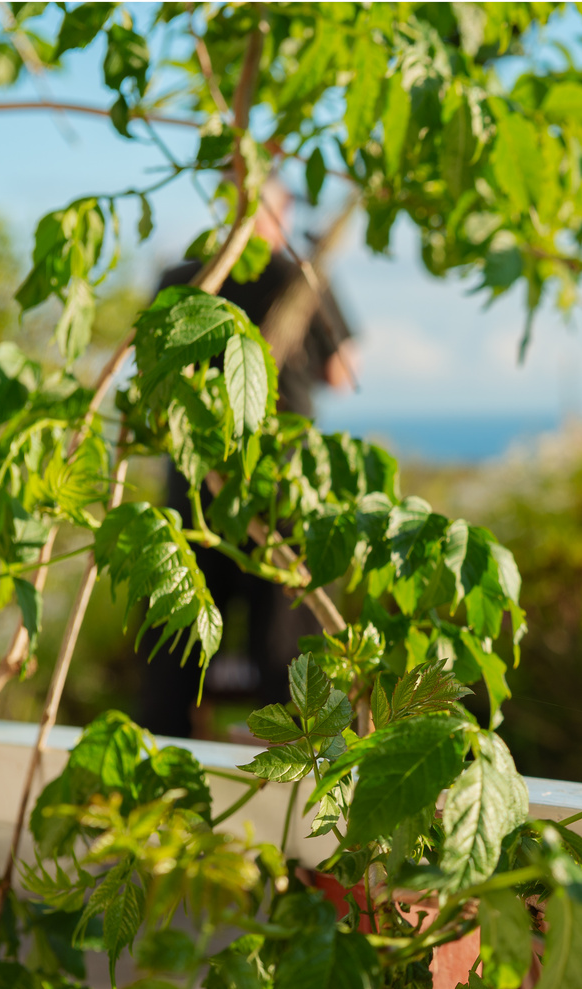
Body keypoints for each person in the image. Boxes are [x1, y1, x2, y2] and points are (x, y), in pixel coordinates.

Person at [140, 180, 358, 739]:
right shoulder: (300, 277)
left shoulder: (181, 279)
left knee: (177, 630)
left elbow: (149, 374)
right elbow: (342, 372)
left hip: (195, 478)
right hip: (282, 474)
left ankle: (165, 756)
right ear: (278, 213)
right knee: (288, 639)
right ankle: (296, 767)